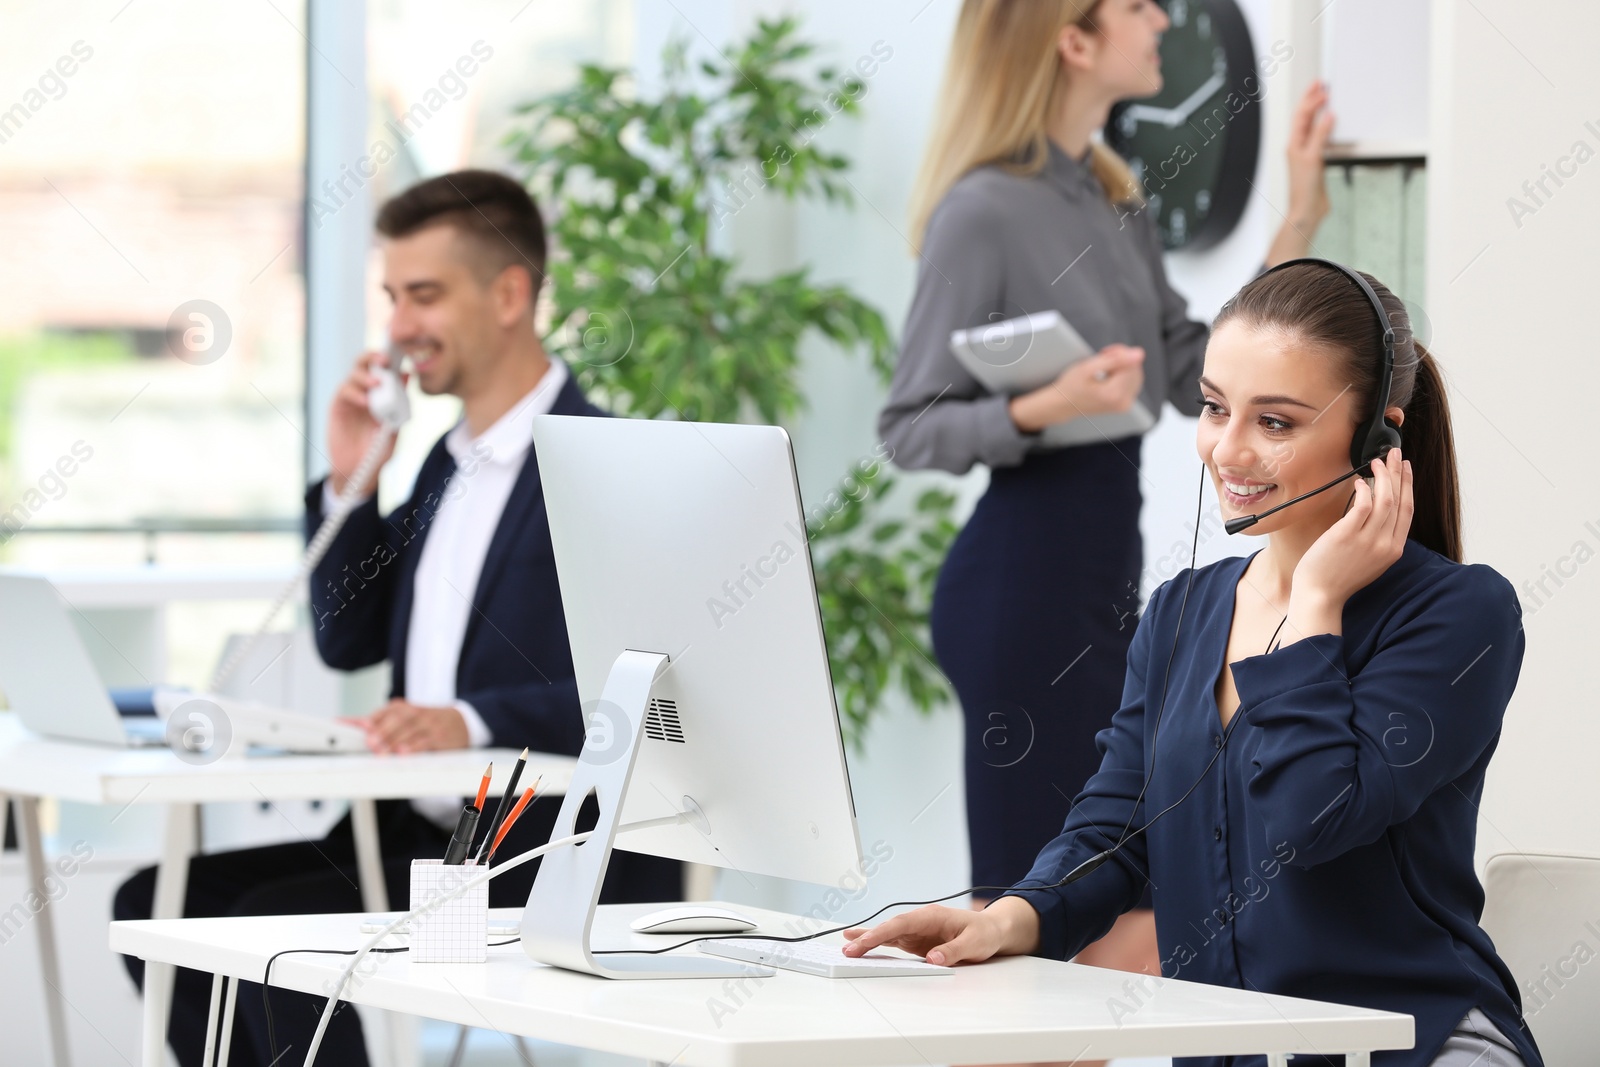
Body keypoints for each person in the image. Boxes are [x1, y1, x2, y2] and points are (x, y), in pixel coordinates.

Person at [846, 262, 1543, 1067]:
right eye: (1215, 408)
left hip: (1412, 1047)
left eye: (1276, 422)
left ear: (1377, 439)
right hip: (1230, 1053)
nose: (1227, 449)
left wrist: (1313, 605)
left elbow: (1312, 822)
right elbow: (1117, 828)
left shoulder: (1460, 615)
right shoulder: (1181, 612)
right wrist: (1008, 918)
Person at [113, 170, 681, 1067]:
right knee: (154, 903)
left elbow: (656, 688)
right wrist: (355, 478)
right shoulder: (440, 469)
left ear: (508, 294)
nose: (400, 325)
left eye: (424, 295)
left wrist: (473, 718)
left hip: (527, 857)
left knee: (271, 939)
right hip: (413, 836)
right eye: (392, 296)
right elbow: (350, 640)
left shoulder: (605, 463)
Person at [878, 0, 1335, 989]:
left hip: (1098, 580)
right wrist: (1042, 403)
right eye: (1135, 6)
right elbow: (907, 425)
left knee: (1097, 906)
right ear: (1071, 39)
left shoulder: (1114, 200)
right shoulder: (981, 209)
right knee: (1029, 919)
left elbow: (1196, 370)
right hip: (1019, 587)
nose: (1163, 19)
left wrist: (1297, 217)